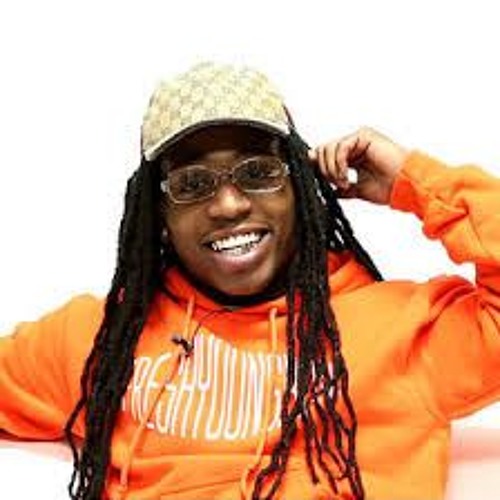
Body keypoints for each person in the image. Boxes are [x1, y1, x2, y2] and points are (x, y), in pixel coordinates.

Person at [1, 61, 499, 500]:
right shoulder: (101, 339)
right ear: (159, 217)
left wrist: (412, 180)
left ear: (300, 189)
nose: (228, 205)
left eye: (259, 173)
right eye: (192, 184)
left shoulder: (406, 332)